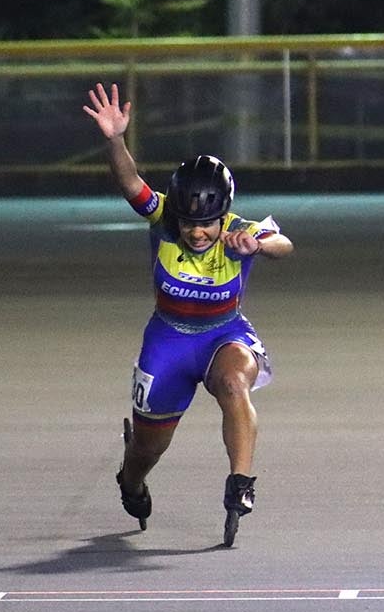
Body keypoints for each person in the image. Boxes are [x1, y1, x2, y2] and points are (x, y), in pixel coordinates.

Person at [83, 83, 294, 547]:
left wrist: (258, 244)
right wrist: (115, 140)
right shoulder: (162, 220)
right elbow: (130, 184)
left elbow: (284, 244)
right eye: (189, 224)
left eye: (208, 224)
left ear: (225, 216)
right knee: (148, 449)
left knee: (235, 382)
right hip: (168, 342)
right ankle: (131, 479)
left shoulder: (241, 230)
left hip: (224, 334)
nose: (198, 232)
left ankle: (241, 481)